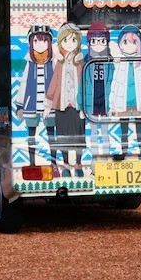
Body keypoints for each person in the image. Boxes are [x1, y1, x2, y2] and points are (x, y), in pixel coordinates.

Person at [44, 23, 84, 177]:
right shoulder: (59, 63)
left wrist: (85, 105)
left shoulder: (80, 62)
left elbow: (85, 83)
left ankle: (79, 164)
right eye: (66, 40)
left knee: (78, 136)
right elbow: (54, 82)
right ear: (60, 43)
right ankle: (66, 165)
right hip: (61, 105)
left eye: (73, 40)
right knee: (63, 137)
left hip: (77, 105)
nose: (70, 44)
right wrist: (48, 104)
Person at [108, 25, 141, 155]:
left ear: (139, 44)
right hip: (123, 104)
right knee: (124, 132)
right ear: (120, 45)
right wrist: (112, 106)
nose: (130, 45)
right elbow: (115, 85)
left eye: (134, 42)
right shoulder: (119, 62)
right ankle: (123, 153)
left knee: (140, 133)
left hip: (140, 104)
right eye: (125, 42)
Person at [15, 24, 55, 168]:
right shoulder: (30, 64)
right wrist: (20, 105)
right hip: (31, 105)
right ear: (31, 43)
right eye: (36, 41)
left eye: (44, 41)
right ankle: (32, 163)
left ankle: (54, 163)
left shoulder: (52, 63)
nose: (40, 45)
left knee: (52, 135)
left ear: (49, 43)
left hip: (50, 106)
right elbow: (24, 84)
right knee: (31, 135)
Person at [81, 22, 115, 154]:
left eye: (102, 41)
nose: (98, 45)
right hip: (91, 103)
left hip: (106, 102)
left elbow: (114, 82)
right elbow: (81, 85)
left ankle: (106, 156)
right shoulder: (86, 61)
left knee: (105, 133)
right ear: (89, 43)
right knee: (94, 134)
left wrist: (114, 104)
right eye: (94, 41)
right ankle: (95, 159)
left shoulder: (110, 62)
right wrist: (80, 105)